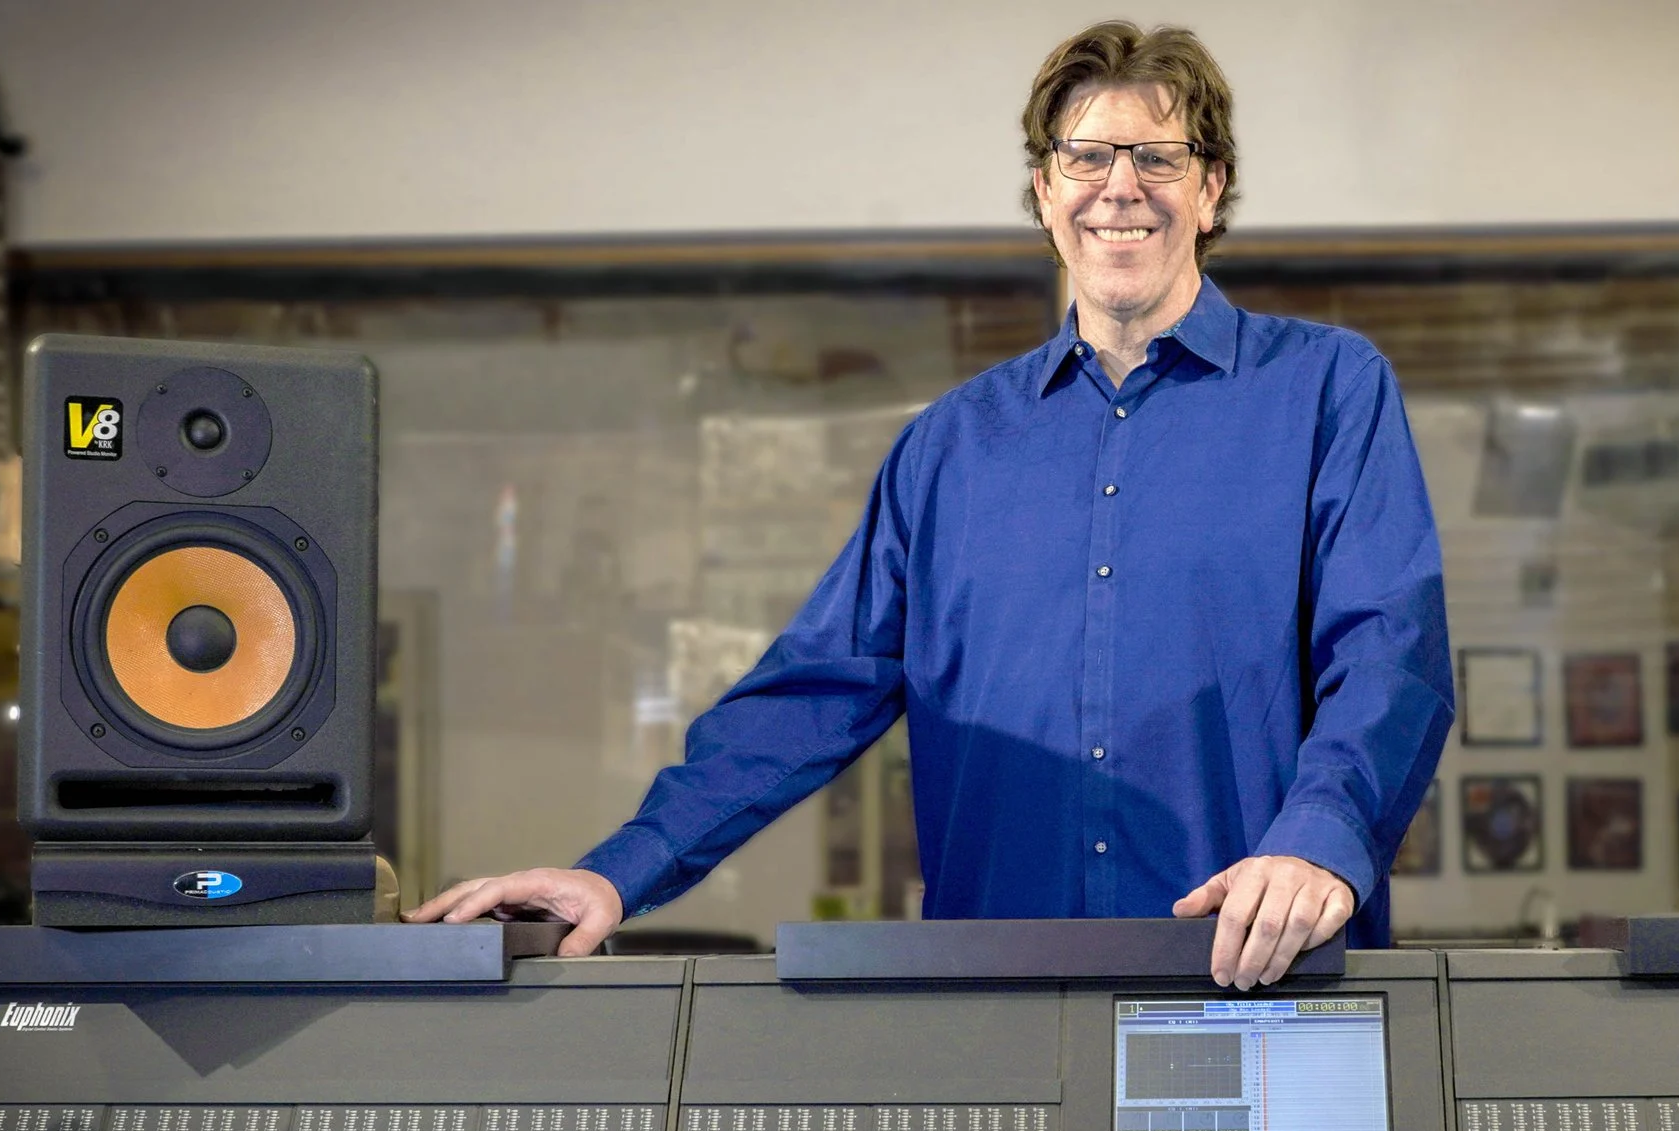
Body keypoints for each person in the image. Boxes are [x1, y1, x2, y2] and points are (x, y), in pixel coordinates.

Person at [410, 21, 1452, 989]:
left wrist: (1322, 837)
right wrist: (621, 871)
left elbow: (1389, 652)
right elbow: (812, 690)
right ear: (1046, 192)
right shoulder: (950, 448)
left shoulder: (1325, 390)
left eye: (1158, 157)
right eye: (1086, 157)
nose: (1118, 187)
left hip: (1253, 979)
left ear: (1211, 188)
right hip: (995, 998)